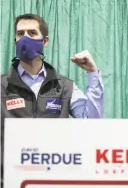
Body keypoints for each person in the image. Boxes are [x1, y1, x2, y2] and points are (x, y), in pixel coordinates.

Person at [1, 14, 104, 184]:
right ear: (15, 41)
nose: (25, 38)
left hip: (52, 180)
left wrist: (92, 73)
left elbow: (91, 123)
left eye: (32, 33)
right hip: (10, 181)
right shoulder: (2, 85)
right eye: (20, 34)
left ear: (45, 41)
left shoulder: (65, 87)